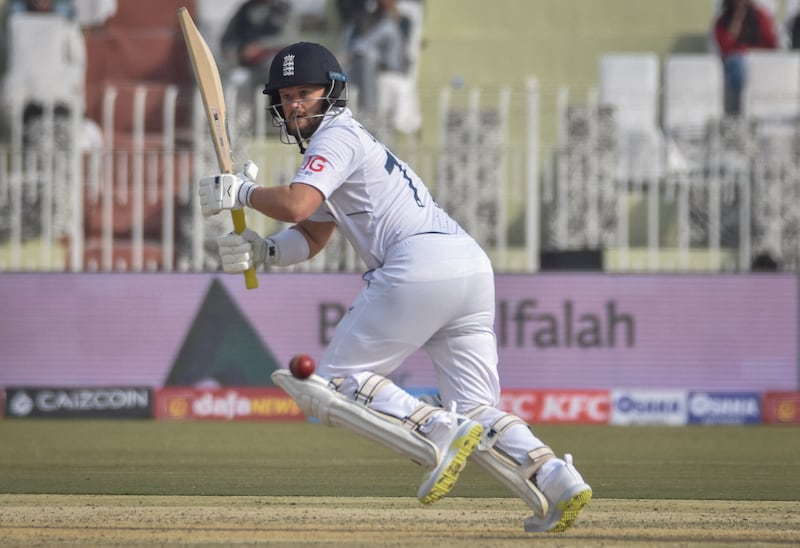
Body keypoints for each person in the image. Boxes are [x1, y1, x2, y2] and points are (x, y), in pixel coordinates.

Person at [197, 41, 591, 533]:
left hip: (420, 263)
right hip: (468, 268)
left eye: (306, 92)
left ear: (331, 94)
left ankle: (437, 430)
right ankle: (556, 476)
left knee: (337, 381)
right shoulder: (343, 145)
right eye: (286, 94)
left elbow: (296, 204)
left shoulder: (335, 138)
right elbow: (313, 231)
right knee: (477, 406)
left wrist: (244, 192)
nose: (296, 103)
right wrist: (265, 251)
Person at [337, 0, 407, 125]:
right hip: (363, 67)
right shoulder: (356, 24)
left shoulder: (389, 24)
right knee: (342, 70)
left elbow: (364, 45)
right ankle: (339, 114)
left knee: (369, 55)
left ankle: (369, 113)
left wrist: (346, 56)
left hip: (389, 68)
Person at [220, 0, 290, 108]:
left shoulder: (284, 8)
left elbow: (288, 38)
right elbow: (227, 40)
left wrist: (260, 46)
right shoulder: (246, 8)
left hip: (272, 67)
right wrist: (237, 51)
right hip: (245, 66)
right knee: (235, 79)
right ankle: (243, 119)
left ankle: (272, 113)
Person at [713, 0, 779, 115]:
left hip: (759, 61)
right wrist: (737, 19)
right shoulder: (722, 22)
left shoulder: (760, 16)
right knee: (739, 64)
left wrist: (753, 54)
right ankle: (739, 111)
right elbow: (726, 46)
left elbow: (772, 45)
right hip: (735, 62)